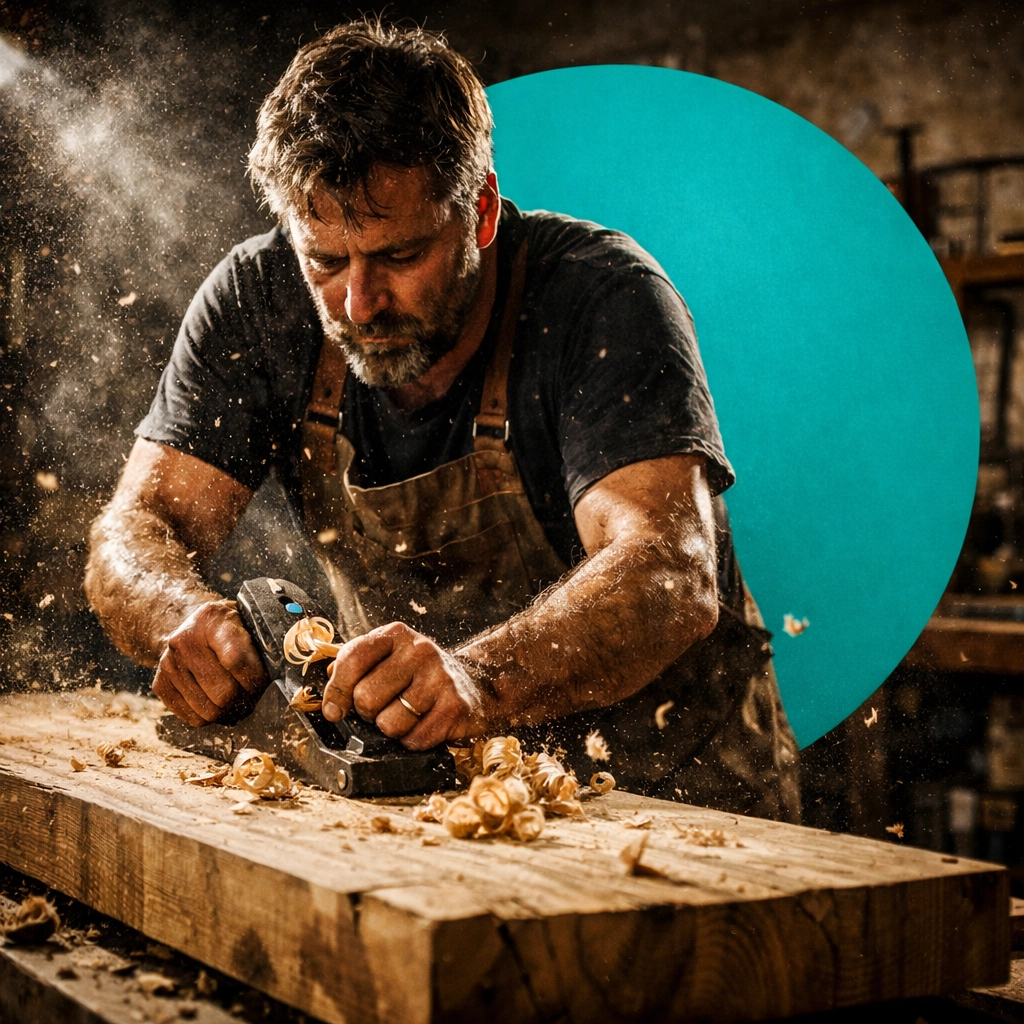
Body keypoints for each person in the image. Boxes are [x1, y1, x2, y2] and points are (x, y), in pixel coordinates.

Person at [85, 19, 800, 821]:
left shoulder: (604, 298)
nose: (359, 303)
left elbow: (668, 571)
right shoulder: (257, 301)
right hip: (424, 791)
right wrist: (176, 615)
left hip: (667, 787)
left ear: (482, 211)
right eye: (325, 260)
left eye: (399, 257)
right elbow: (138, 527)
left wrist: (476, 677)